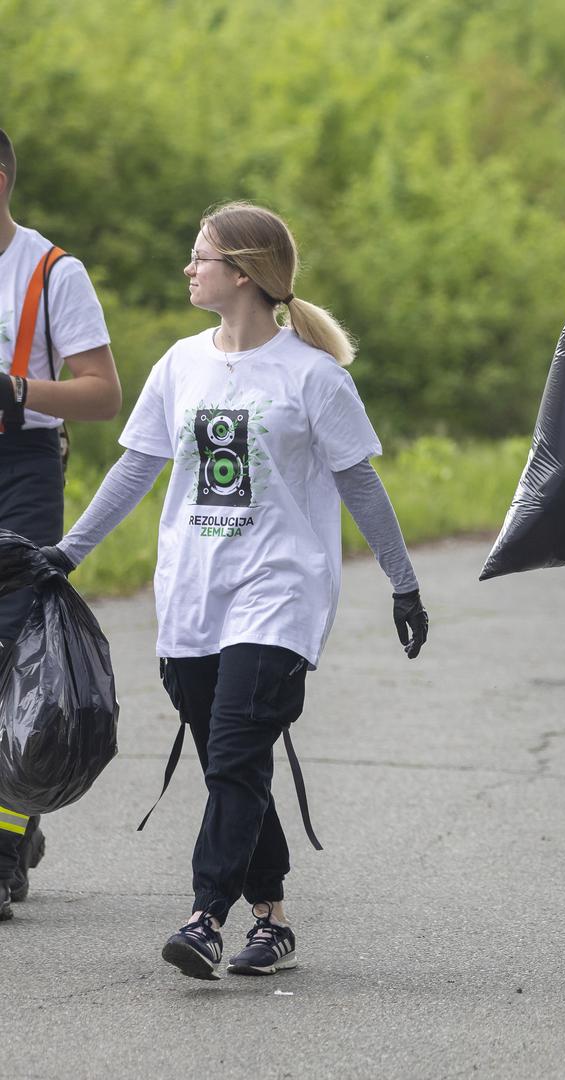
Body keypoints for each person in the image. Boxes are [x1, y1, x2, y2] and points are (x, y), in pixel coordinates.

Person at [40, 201, 429, 979]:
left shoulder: (313, 377)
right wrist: (67, 554)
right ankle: (273, 917)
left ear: (243, 273)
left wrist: (403, 583)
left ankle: (204, 917)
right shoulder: (180, 364)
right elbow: (137, 469)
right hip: (191, 593)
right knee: (234, 762)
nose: (189, 268)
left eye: (201, 257)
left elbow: (360, 484)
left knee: (237, 745)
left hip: (280, 592)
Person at [0, 126, 123, 923]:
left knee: (10, 653)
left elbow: (103, 392)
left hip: (21, 469)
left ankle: (6, 839)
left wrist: (16, 390)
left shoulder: (51, 271)